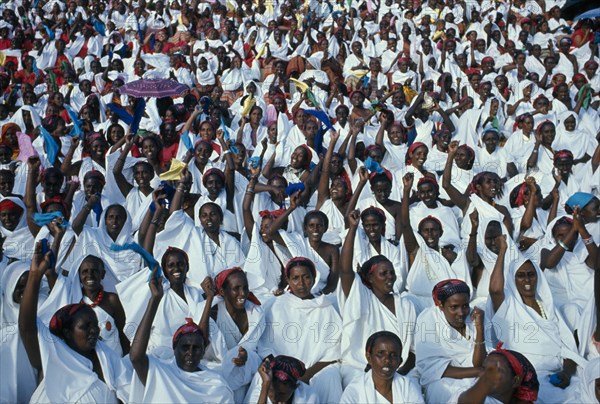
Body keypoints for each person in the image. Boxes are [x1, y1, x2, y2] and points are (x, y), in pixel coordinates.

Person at [18, 242, 131, 403]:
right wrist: (35, 276)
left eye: (94, 325)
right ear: (67, 332)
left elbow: (125, 392)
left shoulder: (107, 356)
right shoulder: (56, 354)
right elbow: (27, 327)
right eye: (86, 327)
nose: (94, 331)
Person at [489, 236, 586, 403]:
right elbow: (496, 290)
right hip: (526, 377)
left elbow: (568, 348)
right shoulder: (509, 306)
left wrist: (567, 373)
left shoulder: (547, 306)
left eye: (531, 274)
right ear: (513, 280)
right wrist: (503, 251)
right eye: (520, 275)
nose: (527, 279)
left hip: (557, 375)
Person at [129, 267, 234, 403]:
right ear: (174, 349)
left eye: (196, 348)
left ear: (203, 351)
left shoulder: (216, 386)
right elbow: (136, 357)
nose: (190, 353)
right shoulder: (161, 372)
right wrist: (155, 300)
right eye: (185, 347)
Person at [338, 209, 416, 386]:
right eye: (383, 274)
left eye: (391, 273)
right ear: (370, 278)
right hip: (360, 368)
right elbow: (345, 270)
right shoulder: (361, 295)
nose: (390, 277)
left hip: (398, 369)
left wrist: (398, 373)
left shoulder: (406, 305)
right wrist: (352, 229)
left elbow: (412, 351)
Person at [259, 257, 343, 402]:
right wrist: (284, 371)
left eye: (306, 277)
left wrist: (306, 375)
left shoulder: (325, 307)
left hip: (313, 369)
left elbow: (333, 352)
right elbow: (266, 347)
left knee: (331, 377)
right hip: (280, 369)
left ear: (314, 277)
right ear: (288, 279)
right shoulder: (276, 305)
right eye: (295, 278)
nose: (301, 284)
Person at [415, 279, 487, 403]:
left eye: (465, 306)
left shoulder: (475, 316)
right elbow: (432, 368)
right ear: (441, 305)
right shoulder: (428, 320)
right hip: (443, 379)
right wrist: (478, 372)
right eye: (454, 307)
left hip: (476, 373)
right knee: (441, 390)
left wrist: (479, 329)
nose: (461, 313)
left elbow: (478, 362)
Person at [340, 331, 424, 404]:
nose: (387, 360)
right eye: (380, 353)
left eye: (393, 355)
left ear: (400, 362)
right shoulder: (355, 390)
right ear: (369, 357)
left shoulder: (407, 387)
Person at [454, 344, 540, 404]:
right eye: (484, 368)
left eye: (497, 370)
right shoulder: (472, 393)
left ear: (515, 381)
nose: (487, 374)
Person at [246, 355, 319, 404]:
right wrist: (265, 385)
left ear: (295, 387)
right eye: (270, 390)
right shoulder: (261, 390)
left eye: (281, 394)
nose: (274, 398)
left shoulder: (309, 398)